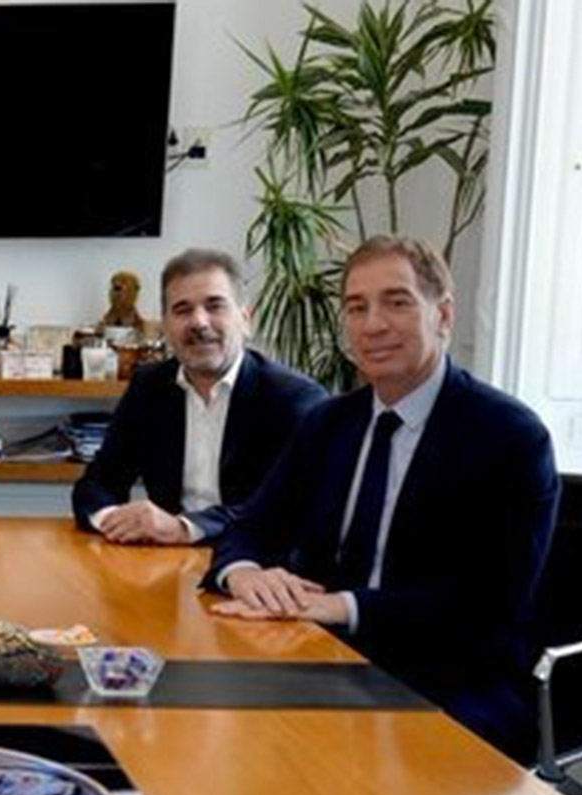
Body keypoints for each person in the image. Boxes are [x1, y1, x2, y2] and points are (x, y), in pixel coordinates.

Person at [207, 235, 559, 761]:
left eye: (396, 302)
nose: (372, 325)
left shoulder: (509, 436)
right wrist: (246, 573)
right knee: (205, 734)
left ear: (443, 314)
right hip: (320, 657)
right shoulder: (327, 424)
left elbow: (487, 605)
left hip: (453, 677)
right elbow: (248, 528)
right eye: (356, 307)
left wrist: (342, 606)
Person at [72, 248, 325, 544]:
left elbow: (283, 509)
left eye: (215, 306)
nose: (199, 322)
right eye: (182, 310)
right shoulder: (150, 386)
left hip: (257, 564)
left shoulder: (292, 398)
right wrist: (112, 519)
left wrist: (183, 528)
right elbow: (99, 481)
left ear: (246, 319)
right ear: (165, 326)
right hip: (165, 562)